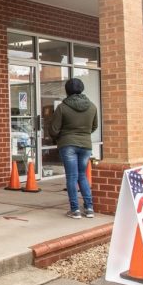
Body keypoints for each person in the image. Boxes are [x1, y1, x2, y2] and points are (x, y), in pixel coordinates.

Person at [50, 78, 97, 219]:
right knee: (82, 176)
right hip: (86, 145)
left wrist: (60, 136)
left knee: (72, 177)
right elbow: (94, 127)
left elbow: (54, 129)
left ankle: (75, 210)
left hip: (68, 144)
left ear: (67, 90)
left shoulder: (62, 107)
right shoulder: (92, 106)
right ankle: (89, 208)